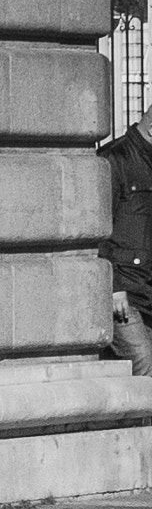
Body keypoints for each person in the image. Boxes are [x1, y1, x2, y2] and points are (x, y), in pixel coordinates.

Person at [99, 106, 152, 377]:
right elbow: (97, 231)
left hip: (146, 286)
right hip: (124, 291)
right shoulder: (113, 159)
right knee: (143, 358)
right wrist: (114, 287)